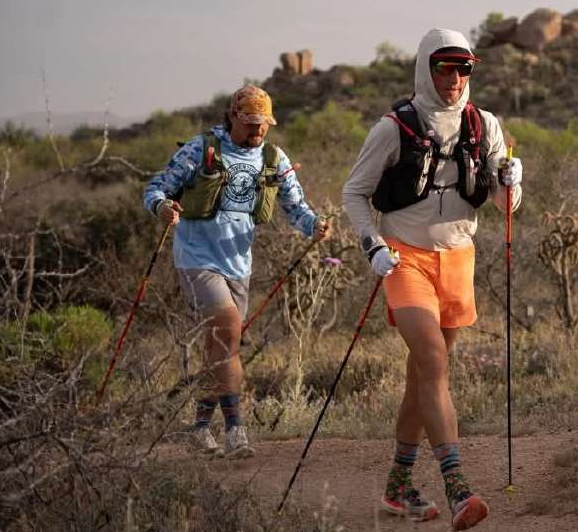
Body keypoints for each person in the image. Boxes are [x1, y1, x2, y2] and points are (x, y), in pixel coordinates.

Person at [342, 28, 521, 530]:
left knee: (424, 375)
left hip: (458, 257)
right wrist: (372, 245)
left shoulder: (485, 125)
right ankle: (458, 487)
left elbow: (505, 206)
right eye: (445, 67)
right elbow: (354, 193)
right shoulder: (392, 128)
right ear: (426, 69)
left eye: (464, 68)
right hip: (404, 258)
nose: (455, 78)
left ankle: (398, 487)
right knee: (434, 361)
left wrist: (512, 182)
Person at [143, 85, 331, 458]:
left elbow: (296, 207)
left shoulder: (273, 158)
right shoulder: (200, 149)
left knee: (221, 346)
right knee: (228, 328)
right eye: (250, 122)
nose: (258, 130)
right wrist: (163, 207)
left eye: (264, 124)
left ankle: (199, 429)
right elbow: (155, 189)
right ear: (232, 117)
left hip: (238, 264)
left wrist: (315, 225)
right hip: (196, 258)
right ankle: (235, 431)